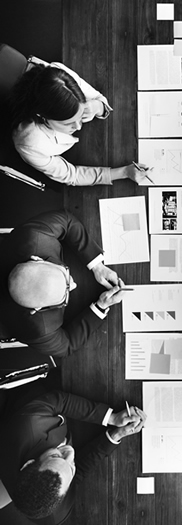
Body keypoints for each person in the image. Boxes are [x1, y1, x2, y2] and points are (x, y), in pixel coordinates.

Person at [0, 389, 146, 523]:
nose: (71, 452)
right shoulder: (57, 514)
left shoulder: (30, 421)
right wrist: (116, 435)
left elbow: (62, 401)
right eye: (71, 468)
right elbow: (79, 474)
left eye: (56, 456)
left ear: (29, 463)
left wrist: (112, 418)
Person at [0, 209, 129, 357]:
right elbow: (67, 346)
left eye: (65, 274)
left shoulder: (34, 237)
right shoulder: (38, 330)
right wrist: (101, 306)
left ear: (37, 259)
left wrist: (97, 266)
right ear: (37, 309)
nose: (74, 285)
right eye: (65, 295)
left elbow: (67, 221)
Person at [9, 56, 148, 186]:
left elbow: (98, 98)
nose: (78, 127)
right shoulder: (30, 143)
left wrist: (97, 106)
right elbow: (71, 175)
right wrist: (124, 172)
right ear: (42, 116)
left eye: (80, 116)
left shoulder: (61, 78)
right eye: (67, 123)